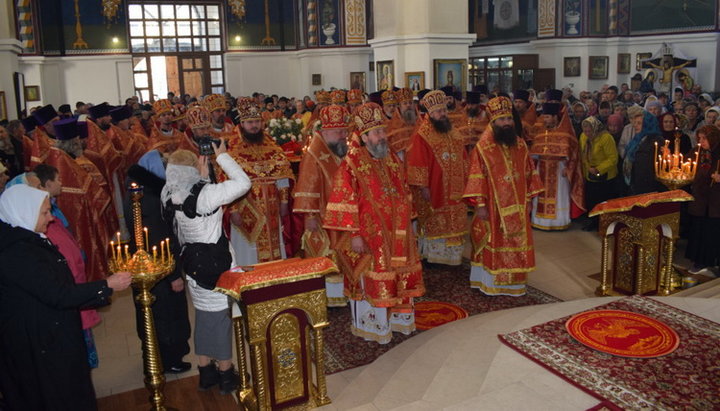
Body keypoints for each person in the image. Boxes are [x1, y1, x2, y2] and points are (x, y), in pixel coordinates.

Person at [0, 184, 132, 410]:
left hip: (49, 335)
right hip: (40, 347)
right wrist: (106, 285)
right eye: (44, 212)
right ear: (23, 212)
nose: (51, 218)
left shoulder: (27, 238)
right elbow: (57, 294)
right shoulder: (16, 252)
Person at [323, 102, 424, 344]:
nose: (382, 137)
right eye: (376, 133)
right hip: (370, 235)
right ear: (364, 136)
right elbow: (343, 200)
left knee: (399, 273)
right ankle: (374, 325)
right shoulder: (351, 163)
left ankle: (399, 320)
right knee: (374, 276)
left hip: (397, 231)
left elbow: (403, 190)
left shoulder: (389, 157)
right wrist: (355, 234)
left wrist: (409, 219)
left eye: (382, 131)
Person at [162, 139, 251, 394]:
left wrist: (201, 178)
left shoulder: (168, 193)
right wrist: (222, 157)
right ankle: (225, 374)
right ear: (196, 166)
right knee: (221, 320)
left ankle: (206, 373)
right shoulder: (207, 195)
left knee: (203, 317)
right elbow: (244, 184)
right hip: (217, 267)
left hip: (193, 265)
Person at [463, 96, 543, 296]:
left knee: (517, 242)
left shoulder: (520, 144)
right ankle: (490, 282)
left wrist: (531, 199)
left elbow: (529, 173)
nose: (507, 123)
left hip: (519, 205)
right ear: (493, 122)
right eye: (502, 120)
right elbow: (476, 177)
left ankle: (513, 284)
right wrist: (480, 204)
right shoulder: (483, 147)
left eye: (509, 119)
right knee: (494, 241)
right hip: (493, 207)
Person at [125, 150, 192, 374]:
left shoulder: (137, 189)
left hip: (147, 266)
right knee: (166, 315)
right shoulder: (151, 198)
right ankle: (168, 359)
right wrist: (174, 275)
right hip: (160, 268)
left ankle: (155, 358)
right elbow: (159, 237)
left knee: (153, 315)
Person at [293, 104, 351, 307]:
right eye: (339, 132)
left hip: (343, 214)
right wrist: (309, 215)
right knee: (326, 253)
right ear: (325, 131)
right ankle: (328, 298)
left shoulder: (342, 148)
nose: (344, 135)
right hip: (321, 216)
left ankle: (344, 292)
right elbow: (308, 184)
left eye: (345, 131)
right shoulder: (314, 152)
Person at [228, 98, 294, 265]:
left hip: (272, 207)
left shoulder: (273, 147)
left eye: (257, 121)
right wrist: (233, 210)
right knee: (247, 250)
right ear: (242, 124)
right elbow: (228, 182)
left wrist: (284, 202)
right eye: (250, 122)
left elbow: (282, 175)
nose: (254, 126)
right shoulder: (233, 150)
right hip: (246, 208)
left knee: (274, 248)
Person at [407, 90, 468, 266]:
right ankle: (434, 257)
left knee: (455, 220)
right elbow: (418, 161)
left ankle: (452, 257)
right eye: (438, 112)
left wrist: (466, 180)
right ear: (430, 114)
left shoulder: (454, 131)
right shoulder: (423, 134)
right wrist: (423, 186)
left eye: (443, 110)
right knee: (436, 219)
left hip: (456, 188)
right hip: (435, 187)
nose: (442, 114)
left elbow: (463, 157)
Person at [529, 102, 585, 230]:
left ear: (555, 117)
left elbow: (574, 154)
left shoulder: (565, 134)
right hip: (542, 169)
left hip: (559, 170)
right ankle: (540, 221)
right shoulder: (540, 133)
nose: (544, 119)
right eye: (544, 117)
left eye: (548, 117)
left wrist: (569, 168)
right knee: (540, 195)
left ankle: (558, 222)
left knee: (559, 196)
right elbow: (534, 153)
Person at [685, 125, 720, 275]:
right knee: (698, 231)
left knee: (712, 233)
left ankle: (713, 263)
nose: (701, 141)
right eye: (699, 138)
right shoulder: (697, 152)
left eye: (704, 138)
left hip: (715, 201)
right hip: (700, 199)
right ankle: (698, 262)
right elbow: (685, 164)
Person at [578, 117, 618, 231]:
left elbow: (613, 158)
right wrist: (588, 167)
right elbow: (582, 154)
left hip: (605, 176)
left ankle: (604, 224)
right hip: (590, 175)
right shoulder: (583, 137)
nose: (587, 133)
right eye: (585, 131)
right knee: (591, 200)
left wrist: (599, 169)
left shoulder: (606, 138)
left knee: (603, 200)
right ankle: (593, 222)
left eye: (589, 131)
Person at [622, 111, 665, 195]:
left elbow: (659, 165)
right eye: (635, 123)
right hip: (635, 183)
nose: (635, 126)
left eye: (639, 123)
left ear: (648, 124)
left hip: (649, 186)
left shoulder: (657, 141)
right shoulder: (637, 139)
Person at [385, 88, 418, 160]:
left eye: (410, 102)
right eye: (405, 103)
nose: (408, 105)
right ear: (399, 106)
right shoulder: (393, 127)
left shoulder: (420, 123)